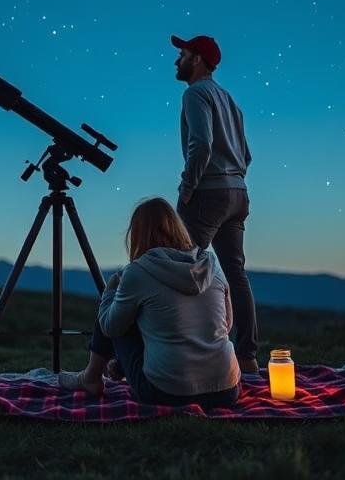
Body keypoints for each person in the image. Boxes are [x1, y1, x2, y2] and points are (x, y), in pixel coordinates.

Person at [58, 197, 240, 407]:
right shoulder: (211, 264)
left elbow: (110, 328)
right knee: (149, 313)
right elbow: (226, 323)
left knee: (113, 312)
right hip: (227, 390)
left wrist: (109, 292)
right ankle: (118, 368)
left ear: (136, 234)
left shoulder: (138, 272)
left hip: (167, 392)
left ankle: (90, 377)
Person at [171, 33, 260, 373]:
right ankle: (248, 356)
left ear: (197, 60)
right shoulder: (230, 100)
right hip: (238, 193)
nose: (176, 60)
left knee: (174, 264)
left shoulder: (195, 94)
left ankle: (174, 353)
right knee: (235, 274)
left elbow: (201, 145)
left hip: (209, 193)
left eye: (182, 54)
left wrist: (186, 189)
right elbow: (247, 155)